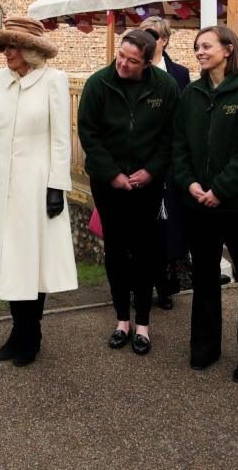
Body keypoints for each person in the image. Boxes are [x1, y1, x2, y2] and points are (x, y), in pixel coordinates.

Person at [0, 17, 78, 367]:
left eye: (14, 47)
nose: (8, 54)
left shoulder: (54, 81)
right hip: (1, 182)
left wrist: (56, 186)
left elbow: (61, 141)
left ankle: (30, 332)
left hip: (36, 185)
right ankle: (18, 328)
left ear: (32, 51)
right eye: (5, 47)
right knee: (7, 257)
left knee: (33, 258)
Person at [172, 25, 238, 383]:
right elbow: (179, 144)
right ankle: (204, 347)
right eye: (196, 47)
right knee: (204, 278)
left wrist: (221, 189)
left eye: (206, 46)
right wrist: (191, 184)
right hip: (200, 204)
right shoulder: (193, 94)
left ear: (228, 49)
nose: (199, 52)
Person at [78, 29, 179, 355]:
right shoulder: (98, 84)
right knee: (117, 250)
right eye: (121, 56)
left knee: (147, 251)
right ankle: (122, 319)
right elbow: (89, 135)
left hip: (147, 184)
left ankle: (144, 324)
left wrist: (151, 170)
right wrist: (112, 174)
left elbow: (171, 135)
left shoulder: (164, 87)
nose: (122, 63)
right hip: (109, 184)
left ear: (147, 62)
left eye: (132, 61)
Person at [139, 16, 191, 309]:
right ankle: (139, 285)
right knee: (142, 227)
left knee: (168, 225)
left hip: (171, 161)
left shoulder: (179, 74)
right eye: (144, 34)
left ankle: (166, 285)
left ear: (165, 40)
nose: (149, 40)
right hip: (141, 158)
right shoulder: (133, 68)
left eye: (154, 35)